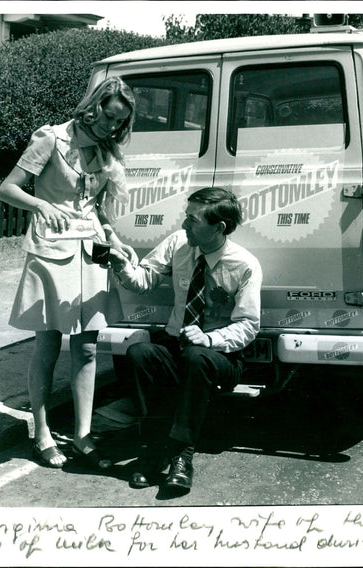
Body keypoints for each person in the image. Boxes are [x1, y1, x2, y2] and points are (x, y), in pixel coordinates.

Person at [0, 77, 137, 469]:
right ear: (94, 107)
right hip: (51, 253)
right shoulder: (51, 140)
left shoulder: (107, 151)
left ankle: (82, 436)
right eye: (109, 117)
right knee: (47, 345)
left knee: (88, 347)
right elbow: (7, 189)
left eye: (120, 122)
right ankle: (42, 433)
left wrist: (115, 239)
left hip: (90, 254)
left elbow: (98, 210)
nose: (112, 127)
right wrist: (40, 205)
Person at [106, 187, 262, 492]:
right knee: (140, 353)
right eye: (186, 216)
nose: (184, 224)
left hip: (220, 357)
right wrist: (121, 265)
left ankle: (181, 455)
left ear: (218, 228)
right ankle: (153, 449)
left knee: (195, 357)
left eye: (193, 220)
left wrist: (209, 339)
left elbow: (248, 325)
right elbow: (144, 280)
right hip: (176, 344)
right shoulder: (178, 243)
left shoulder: (244, 264)